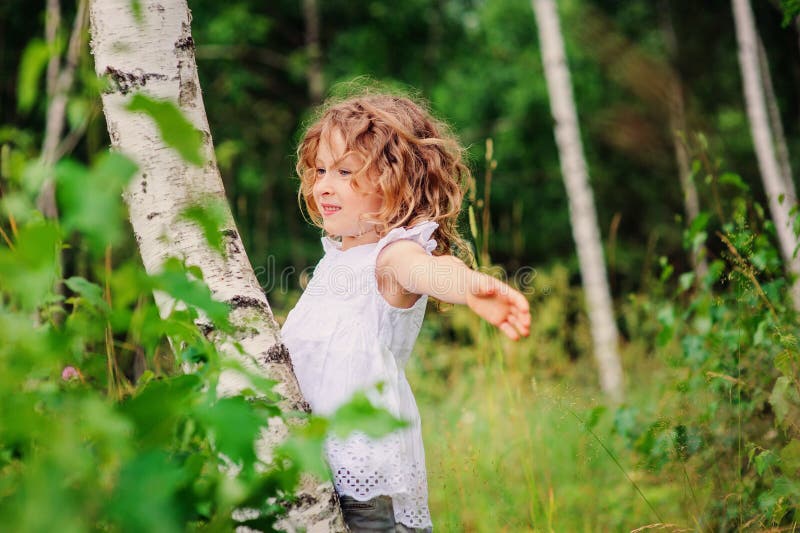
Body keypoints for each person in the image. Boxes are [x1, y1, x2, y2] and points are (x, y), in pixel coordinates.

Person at [280, 91, 531, 532]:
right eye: (320, 170)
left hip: (365, 482)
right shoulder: (333, 262)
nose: (323, 185)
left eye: (345, 172)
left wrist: (471, 286)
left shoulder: (391, 255)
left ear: (396, 183)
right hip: (310, 472)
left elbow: (429, 271)